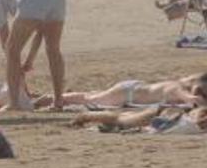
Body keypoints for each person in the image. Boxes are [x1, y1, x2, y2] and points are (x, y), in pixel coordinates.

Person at [0, 0, 66, 111]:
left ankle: (14, 103)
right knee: (53, 49)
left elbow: (6, 40)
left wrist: (16, 68)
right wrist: (29, 61)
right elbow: (40, 31)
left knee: (11, 49)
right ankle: (58, 101)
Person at [34, 72, 207, 109]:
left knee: (93, 95)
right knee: (88, 99)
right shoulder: (176, 88)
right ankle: (49, 98)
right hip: (127, 93)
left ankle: (52, 97)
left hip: (133, 88)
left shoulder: (177, 84)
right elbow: (193, 100)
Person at [71, 105, 207, 134]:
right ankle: (85, 116)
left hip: (166, 114)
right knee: (121, 120)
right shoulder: (202, 111)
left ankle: (88, 115)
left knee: (123, 118)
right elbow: (196, 120)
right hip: (165, 115)